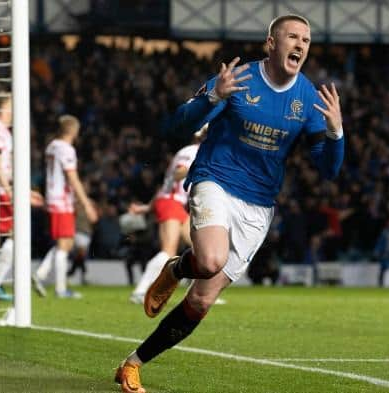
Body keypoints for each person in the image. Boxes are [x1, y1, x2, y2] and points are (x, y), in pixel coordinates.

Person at [115, 14, 345, 393]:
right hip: (215, 180)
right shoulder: (237, 80)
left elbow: (329, 169)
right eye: (293, 37)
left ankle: (133, 363)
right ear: (271, 43)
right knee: (208, 261)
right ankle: (177, 268)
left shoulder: (306, 98)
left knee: (202, 300)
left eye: (306, 39)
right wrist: (212, 97)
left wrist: (336, 132)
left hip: (258, 205)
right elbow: (173, 129)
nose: (301, 45)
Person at [127, 125, 207, 304]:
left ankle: (200, 294)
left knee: (201, 248)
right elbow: (179, 172)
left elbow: (167, 183)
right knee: (168, 251)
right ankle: (140, 291)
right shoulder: (193, 151)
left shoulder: (196, 152)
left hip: (175, 203)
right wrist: (202, 165)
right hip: (172, 203)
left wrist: (147, 207)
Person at [0, 94, 44, 300]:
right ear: (4, 108)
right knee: (17, 233)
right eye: (12, 106)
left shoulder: (0, 130)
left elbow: (5, 167)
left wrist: (24, 191)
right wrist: (9, 192)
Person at [32, 115, 98, 299]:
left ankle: (40, 274)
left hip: (54, 197)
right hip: (61, 200)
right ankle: (61, 289)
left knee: (66, 242)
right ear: (74, 131)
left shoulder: (51, 146)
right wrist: (86, 204)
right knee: (64, 244)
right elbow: (72, 177)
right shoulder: (66, 149)